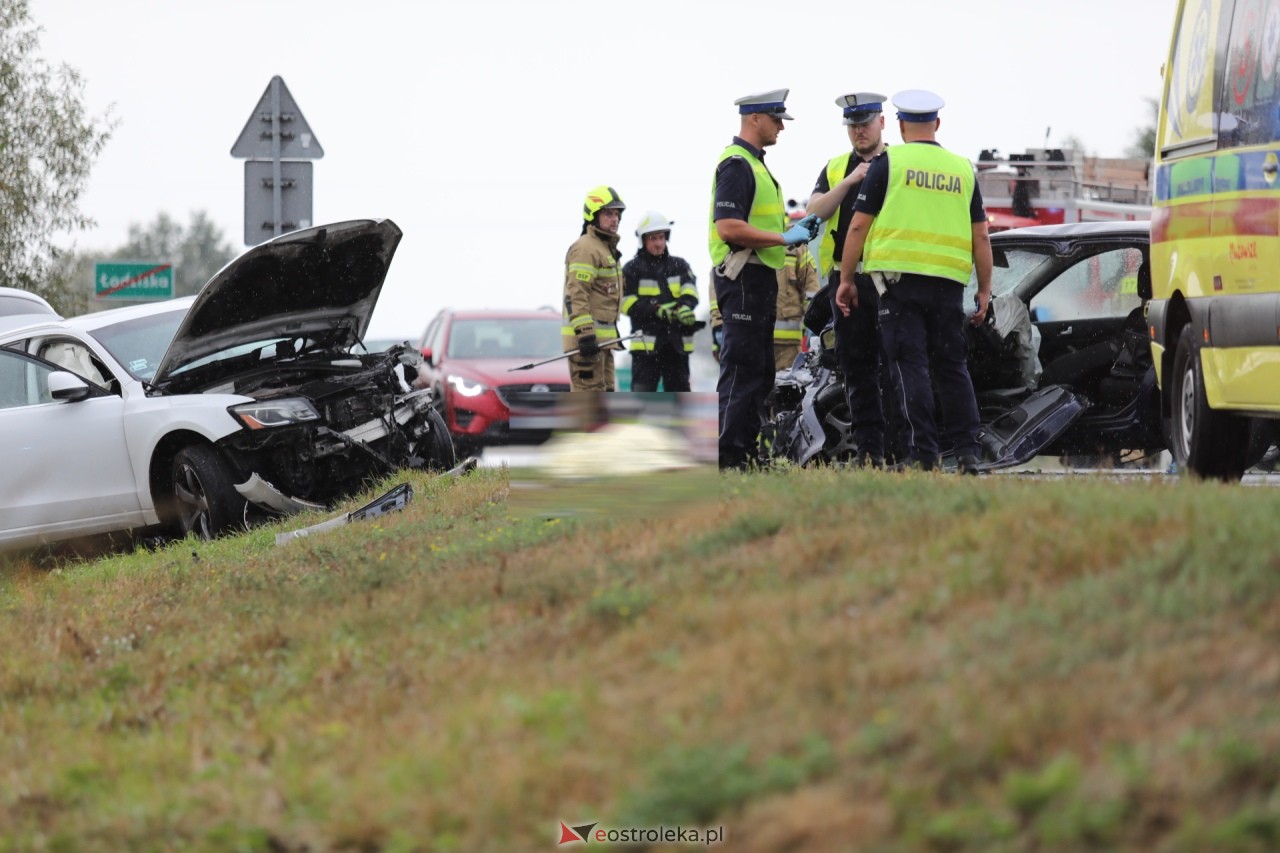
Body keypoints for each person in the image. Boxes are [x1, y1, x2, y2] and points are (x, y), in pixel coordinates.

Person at [835, 90, 992, 474]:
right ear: (936, 124)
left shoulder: (891, 163)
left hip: (899, 286)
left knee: (911, 369)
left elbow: (857, 224)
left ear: (901, 125)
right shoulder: (962, 168)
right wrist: (985, 289)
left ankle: (924, 456)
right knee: (953, 368)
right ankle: (968, 452)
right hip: (949, 286)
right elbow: (982, 237)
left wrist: (845, 280)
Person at [709, 88, 819, 470]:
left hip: (756, 281)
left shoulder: (755, 165)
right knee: (742, 372)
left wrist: (796, 228)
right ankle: (729, 459)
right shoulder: (737, 164)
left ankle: (747, 455)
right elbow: (727, 226)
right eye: (776, 120)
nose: (780, 129)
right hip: (742, 280)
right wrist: (783, 237)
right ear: (754, 119)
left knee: (759, 373)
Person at [808, 92, 890, 467]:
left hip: (890, 281)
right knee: (856, 370)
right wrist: (849, 181)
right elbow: (815, 212)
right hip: (848, 284)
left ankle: (904, 451)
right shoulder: (837, 166)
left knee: (897, 367)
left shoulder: (898, 163)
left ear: (882, 123)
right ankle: (870, 452)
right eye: (853, 126)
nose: (859, 132)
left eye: (866, 124)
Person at [709, 234, 819, 373]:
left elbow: (811, 291)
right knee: (750, 390)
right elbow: (718, 292)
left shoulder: (796, 246)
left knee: (785, 390)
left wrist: (815, 324)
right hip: (747, 340)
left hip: (787, 348)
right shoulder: (734, 242)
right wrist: (719, 326)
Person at [621, 211, 699, 391]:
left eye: (661, 237)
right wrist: (655, 310)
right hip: (646, 350)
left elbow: (691, 292)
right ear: (643, 240)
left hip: (676, 347)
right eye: (653, 238)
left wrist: (685, 307)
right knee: (642, 400)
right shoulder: (631, 269)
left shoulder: (680, 266)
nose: (658, 243)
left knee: (680, 402)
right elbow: (625, 303)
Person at [563, 186, 626, 391]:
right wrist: (585, 334)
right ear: (593, 215)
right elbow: (576, 294)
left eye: (616, 214)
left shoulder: (603, 247)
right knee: (589, 407)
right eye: (608, 213)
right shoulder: (586, 248)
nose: (614, 219)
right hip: (587, 345)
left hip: (604, 345)